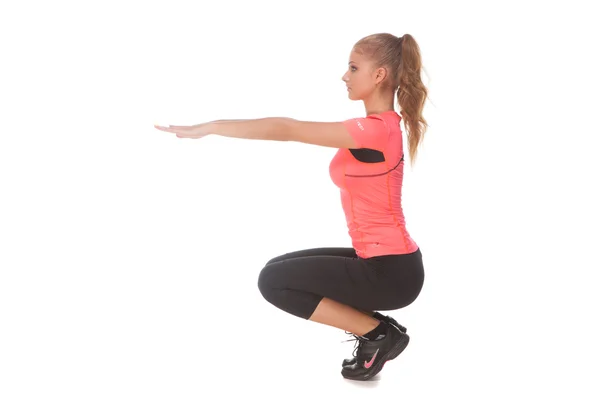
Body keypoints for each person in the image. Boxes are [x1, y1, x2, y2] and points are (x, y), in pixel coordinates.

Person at [154, 32, 429, 381]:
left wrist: (211, 127)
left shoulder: (375, 131)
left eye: (353, 66)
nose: (345, 75)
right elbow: (290, 128)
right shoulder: (378, 127)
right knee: (278, 268)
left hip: (391, 274)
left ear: (378, 76)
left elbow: (288, 128)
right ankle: (377, 329)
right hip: (385, 261)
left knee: (273, 282)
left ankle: (377, 334)